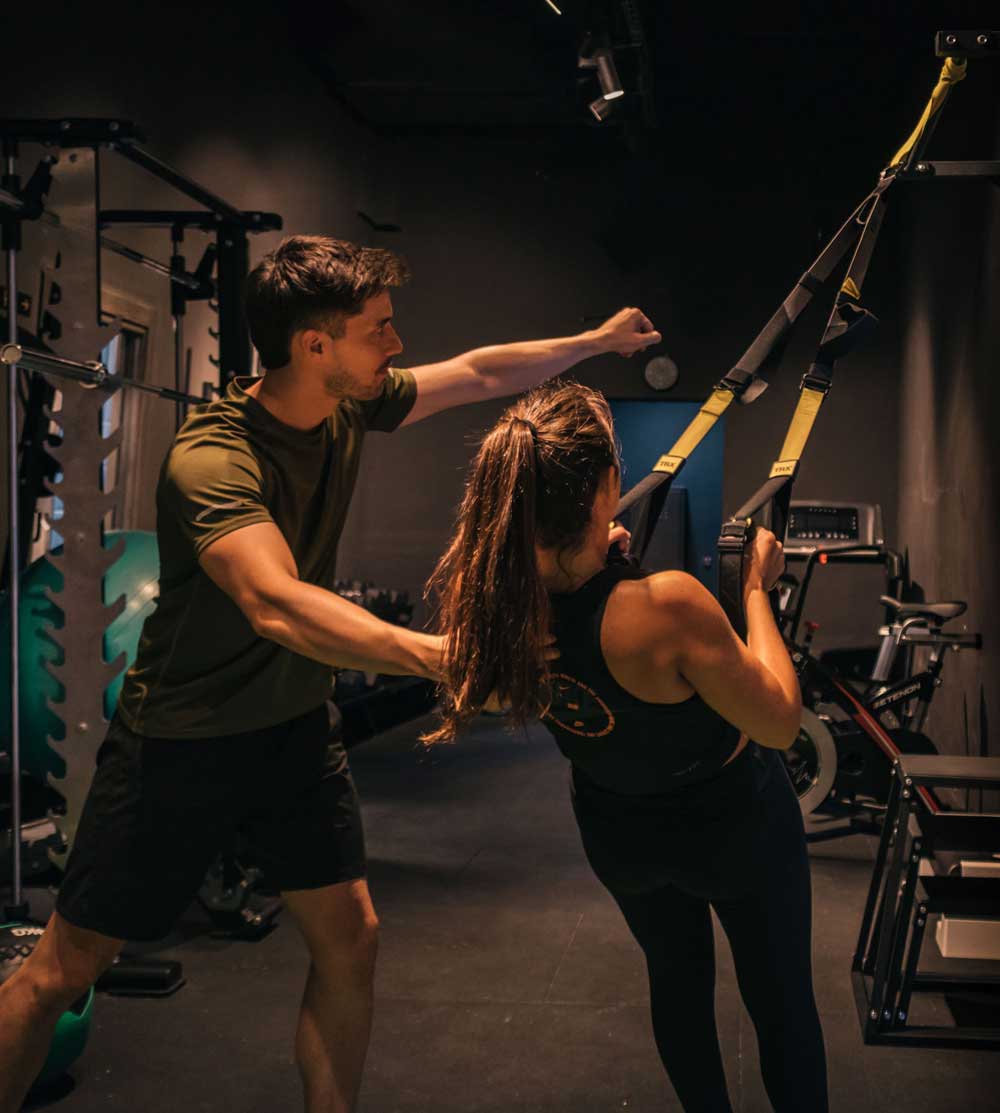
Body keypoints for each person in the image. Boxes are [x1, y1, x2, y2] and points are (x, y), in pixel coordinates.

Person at [0, 235, 661, 1113]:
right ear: (316, 345)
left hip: (292, 730)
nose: (397, 343)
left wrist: (595, 341)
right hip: (180, 741)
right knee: (64, 970)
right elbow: (277, 603)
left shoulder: (348, 404)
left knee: (351, 939)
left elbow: (476, 371)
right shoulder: (213, 460)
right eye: (378, 327)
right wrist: (443, 656)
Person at [426, 380, 828, 1112]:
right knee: (781, 1004)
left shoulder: (502, 605)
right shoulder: (667, 607)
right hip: (732, 829)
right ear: (608, 485)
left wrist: (600, 559)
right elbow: (778, 722)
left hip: (619, 835)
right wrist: (756, 590)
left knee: (676, 985)